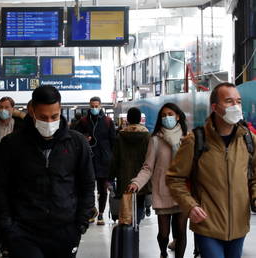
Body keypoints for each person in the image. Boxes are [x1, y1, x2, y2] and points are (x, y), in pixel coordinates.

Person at [0, 86, 95, 258]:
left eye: (54, 116)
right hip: (24, 232)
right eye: (43, 117)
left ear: (60, 110)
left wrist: (80, 223)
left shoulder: (76, 143)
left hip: (65, 231)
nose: (49, 122)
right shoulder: (12, 144)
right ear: (32, 112)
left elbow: (88, 184)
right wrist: (7, 224)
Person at [166, 82, 256, 258]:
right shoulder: (196, 140)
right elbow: (174, 179)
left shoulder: (248, 139)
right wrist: (190, 206)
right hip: (207, 224)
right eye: (229, 101)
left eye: (238, 101)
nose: (236, 106)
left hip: (239, 225)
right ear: (215, 107)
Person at [127, 103, 189, 258]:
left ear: (178, 116)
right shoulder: (155, 140)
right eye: (163, 115)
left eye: (170, 114)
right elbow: (148, 167)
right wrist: (136, 182)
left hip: (183, 191)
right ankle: (163, 253)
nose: (166, 117)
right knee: (163, 233)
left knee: (181, 231)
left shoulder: (187, 137)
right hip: (163, 191)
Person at [0, 96, 25, 257]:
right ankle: (4, 244)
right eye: (1, 107)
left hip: (17, 176)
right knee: (1, 211)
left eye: (7, 107)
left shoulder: (21, 126)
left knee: (16, 212)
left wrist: (20, 114)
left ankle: (13, 243)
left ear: (13, 109)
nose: (3, 110)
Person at [75, 96, 116, 225]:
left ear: (100, 106)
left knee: (102, 189)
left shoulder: (108, 121)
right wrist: (84, 138)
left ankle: (101, 214)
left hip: (104, 160)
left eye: (96, 106)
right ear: (89, 106)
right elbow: (76, 138)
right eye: (92, 106)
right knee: (88, 187)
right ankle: (92, 211)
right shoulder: (83, 122)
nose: (94, 108)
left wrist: (113, 159)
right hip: (89, 159)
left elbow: (113, 141)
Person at [109, 107, 150, 225]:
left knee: (126, 202)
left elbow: (115, 159)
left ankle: (130, 223)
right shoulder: (147, 136)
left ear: (128, 119)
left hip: (124, 175)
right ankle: (137, 221)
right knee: (140, 201)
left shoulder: (120, 136)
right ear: (139, 119)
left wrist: (110, 177)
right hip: (142, 177)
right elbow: (150, 158)